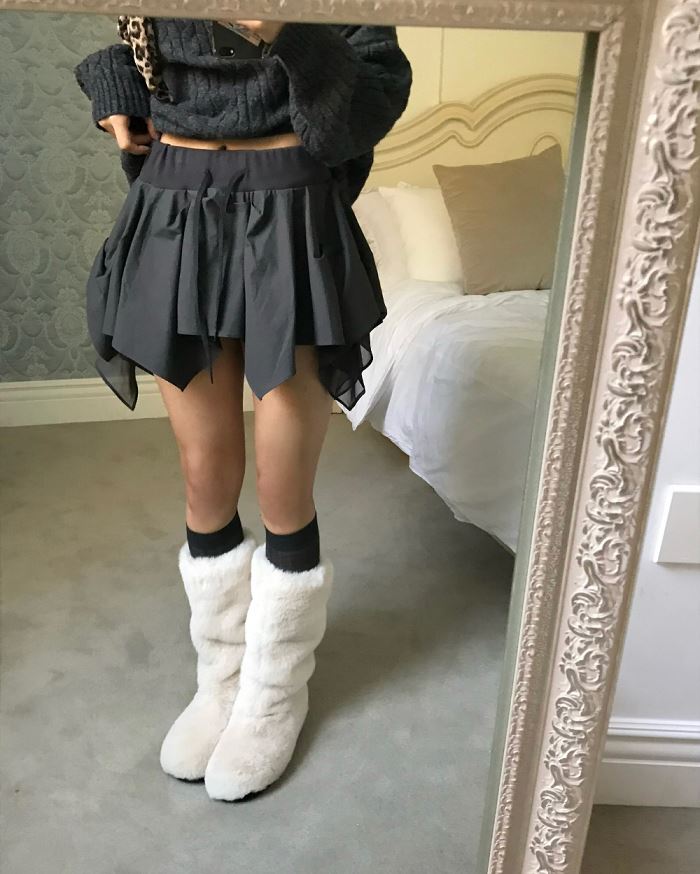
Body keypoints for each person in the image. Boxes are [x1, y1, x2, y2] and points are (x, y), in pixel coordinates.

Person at [73, 17, 412, 800]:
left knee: (283, 486)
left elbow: (361, 108)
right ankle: (222, 678)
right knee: (204, 475)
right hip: (172, 198)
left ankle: (272, 694)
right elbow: (133, 38)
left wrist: (289, 31)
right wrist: (117, 93)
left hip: (291, 203)